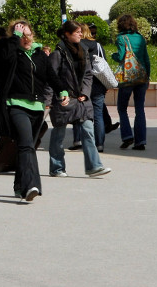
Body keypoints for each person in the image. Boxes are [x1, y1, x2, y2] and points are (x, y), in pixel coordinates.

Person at [0, 19, 51, 202]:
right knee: (26, 145)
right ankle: (31, 186)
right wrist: (14, 39)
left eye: (28, 34)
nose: (26, 38)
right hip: (15, 105)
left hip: (37, 107)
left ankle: (19, 186)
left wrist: (63, 91)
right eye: (21, 35)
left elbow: (51, 75)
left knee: (27, 147)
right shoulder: (11, 53)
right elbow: (3, 61)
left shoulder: (39, 55)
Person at [46, 21, 112, 179]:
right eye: (77, 32)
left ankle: (94, 167)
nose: (81, 34)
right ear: (67, 34)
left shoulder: (84, 50)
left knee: (88, 131)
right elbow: (50, 78)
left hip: (82, 100)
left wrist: (85, 92)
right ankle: (56, 168)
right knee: (58, 135)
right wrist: (49, 101)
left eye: (80, 32)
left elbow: (89, 74)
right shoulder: (58, 53)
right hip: (64, 100)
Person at [113, 14, 151, 151]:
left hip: (128, 78)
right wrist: (148, 77)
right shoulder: (140, 37)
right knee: (139, 109)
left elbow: (121, 56)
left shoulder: (120, 38)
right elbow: (146, 58)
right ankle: (140, 141)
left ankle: (127, 136)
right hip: (141, 77)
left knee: (122, 108)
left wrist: (113, 56)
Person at [78, 23, 118, 152]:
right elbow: (103, 63)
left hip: (83, 84)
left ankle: (82, 140)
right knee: (98, 114)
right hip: (98, 83)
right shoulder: (97, 45)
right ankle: (100, 144)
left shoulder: (78, 45)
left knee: (83, 114)